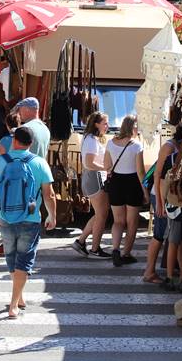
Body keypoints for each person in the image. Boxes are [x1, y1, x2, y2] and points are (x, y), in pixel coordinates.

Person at [0, 127, 56, 318]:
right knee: (24, 259)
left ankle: (18, 296)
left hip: (5, 217)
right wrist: (52, 215)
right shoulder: (39, 163)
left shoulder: (1, 161)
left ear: (14, 140)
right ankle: (14, 304)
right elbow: (49, 195)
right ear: (31, 144)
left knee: (11, 256)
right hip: (30, 218)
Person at [103, 115, 145, 268]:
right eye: (137, 127)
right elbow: (140, 171)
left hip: (116, 183)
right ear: (132, 128)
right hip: (132, 183)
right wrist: (145, 190)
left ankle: (115, 250)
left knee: (118, 220)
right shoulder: (136, 146)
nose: (138, 130)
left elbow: (106, 165)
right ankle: (126, 253)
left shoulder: (110, 142)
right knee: (132, 221)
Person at [71, 111, 111, 259]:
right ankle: (95, 249)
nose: (107, 126)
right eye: (105, 123)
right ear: (96, 124)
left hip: (94, 178)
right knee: (102, 215)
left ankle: (81, 241)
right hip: (94, 179)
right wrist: (107, 167)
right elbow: (89, 163)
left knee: (100, 214)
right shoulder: (91, 140)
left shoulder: (91, 139)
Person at [152, 123, 182, 288]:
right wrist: (159, 201)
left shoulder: (179, 149)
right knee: (159, 235)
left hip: (167, 196)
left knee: (174, 239)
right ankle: (149, 271)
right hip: (160, 195)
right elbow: (157, 174)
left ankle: (179, 272)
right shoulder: (169, 147)